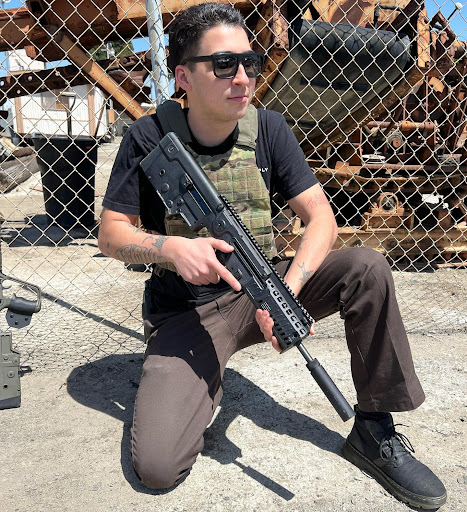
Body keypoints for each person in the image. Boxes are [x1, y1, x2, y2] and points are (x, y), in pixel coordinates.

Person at [98, 3, 446, 509]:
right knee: (157, 467)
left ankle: (375, 429)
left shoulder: (269, 129)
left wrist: (286, 292)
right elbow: (111, 234)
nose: (242, 77)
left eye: (250, 62)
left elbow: (321, 219)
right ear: (184, 77)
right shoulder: (147, 137)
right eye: (224, 65)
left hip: (260, 285)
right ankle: (201, 379)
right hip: (188, 312)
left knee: (366, 267)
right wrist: (170, 247)